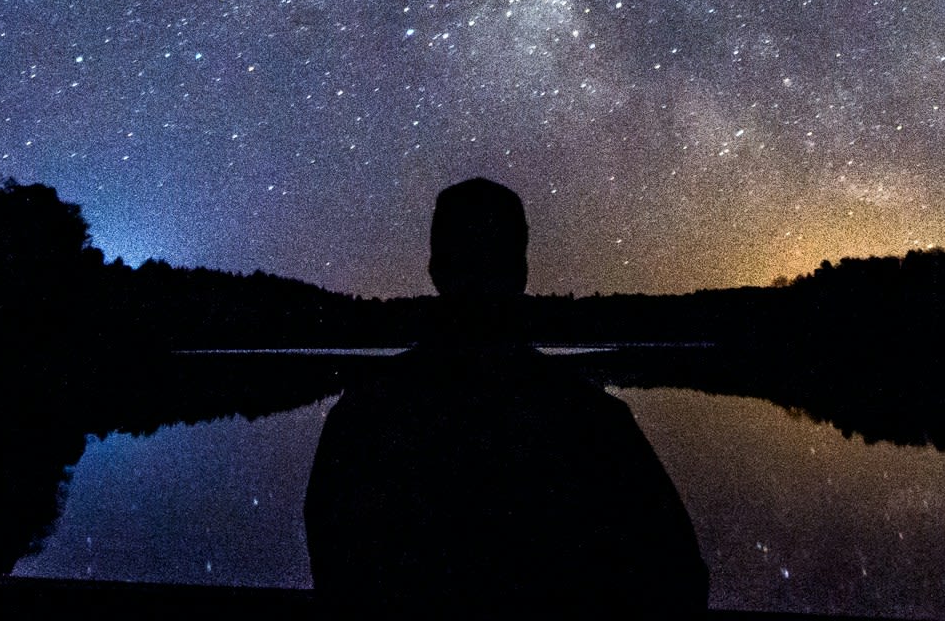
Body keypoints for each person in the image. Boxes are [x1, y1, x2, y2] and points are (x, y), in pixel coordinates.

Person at [302, 178, 707, 614]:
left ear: (436, 269)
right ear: (521, 273)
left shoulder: (365, 415)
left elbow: (333, 557)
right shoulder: (592, 421)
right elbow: (678, 574)